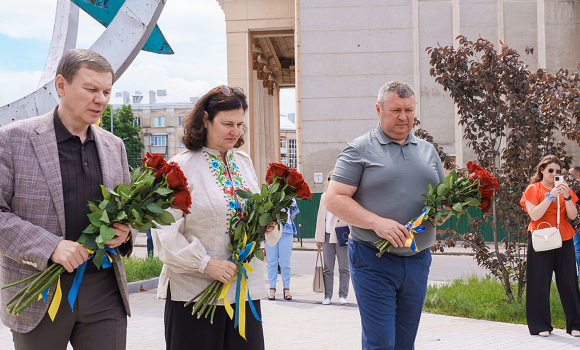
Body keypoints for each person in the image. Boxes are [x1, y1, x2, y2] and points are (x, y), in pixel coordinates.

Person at [0, 49, 135, 349]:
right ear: (61, 86)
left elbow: (127, 213)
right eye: (91, 89)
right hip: (39, 291)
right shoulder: (11, 140)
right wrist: (50, 247)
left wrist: (126, 234)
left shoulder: (115, 146)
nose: (100, 99)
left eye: (106, 91)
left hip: (104, 290)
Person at [151, 85, 280, 350]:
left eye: (240, 124)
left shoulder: (243, 162)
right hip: (194, 296)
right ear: (206, 120)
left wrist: (268, 224)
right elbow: (164, 233)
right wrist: (206, 263)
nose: (236, 131)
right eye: (228, 123)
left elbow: (253, 215)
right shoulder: (180, 167)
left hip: (242, 293)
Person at [325, 81, 449, 349]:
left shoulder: (428, 151)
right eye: (395, 110)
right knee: (381, 342)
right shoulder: (358, 149)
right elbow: (333, 199)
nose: (403, 117)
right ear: (379, 109)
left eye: (409, 110)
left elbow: (442, 200)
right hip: (373, 259)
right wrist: (376, 223)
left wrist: (444, 213)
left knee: (405, 343)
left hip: (418, 260)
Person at [521, 155, 580, 337]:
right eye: (551, 171)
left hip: (563, 237)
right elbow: (535, 215)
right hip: (540, 237)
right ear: (542, 170)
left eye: (558, 171)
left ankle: (576, 324)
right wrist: (550, 196)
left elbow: (572, 216)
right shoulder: (533, 189)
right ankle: (540, 325)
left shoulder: (565, 189)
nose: (554, 174)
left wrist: (566, 196)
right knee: (539, 281)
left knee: (568, 281)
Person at [315, 171, 350, 305]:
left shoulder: (345, 196)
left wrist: (350, 235)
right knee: (328, 268)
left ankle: (343, 295)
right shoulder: (324, 196)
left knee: (344, 268)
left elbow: (350, 216)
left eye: (334, 178)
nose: (331, 180)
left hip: (342, 235)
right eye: (330, 178)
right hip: (327, 235)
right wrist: (319, 237)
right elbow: (320, 218)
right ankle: (328, 296)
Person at [265, 197, 299, 301]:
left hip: (286, 232)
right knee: (271, 262)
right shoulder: (269, 195)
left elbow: (293, 214)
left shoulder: (291, 197)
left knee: (285, 262)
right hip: (271, 232)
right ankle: (272, 288)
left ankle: (286, 288)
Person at [570, 166, 580, 276]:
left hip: (576, 223)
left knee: (577, 247)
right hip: (576, 222)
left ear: (576, 175)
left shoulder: (574, 188)